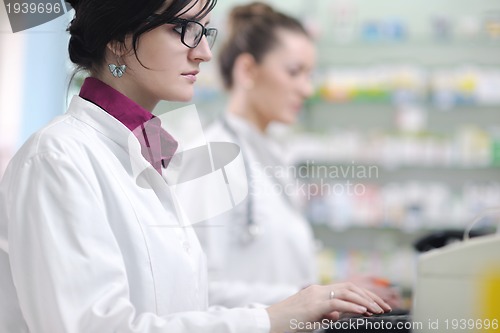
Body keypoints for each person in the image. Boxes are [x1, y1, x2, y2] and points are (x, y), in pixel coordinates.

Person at [0, 0, 391, 332]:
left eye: (204, 32)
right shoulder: (56, 159)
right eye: (183, 30)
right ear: (118, 40)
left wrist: (299, 302)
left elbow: (184, 305)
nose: (203, 52)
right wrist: (269, 318)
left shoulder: (144, 152)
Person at [195, 2, 402, 309]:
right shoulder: (209, 160)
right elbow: (199, 291)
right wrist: (316, 296)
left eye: (310, 75)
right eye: (294, 72)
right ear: (248, 70)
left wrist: (328, 294)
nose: (307, 90)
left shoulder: (272, 154)